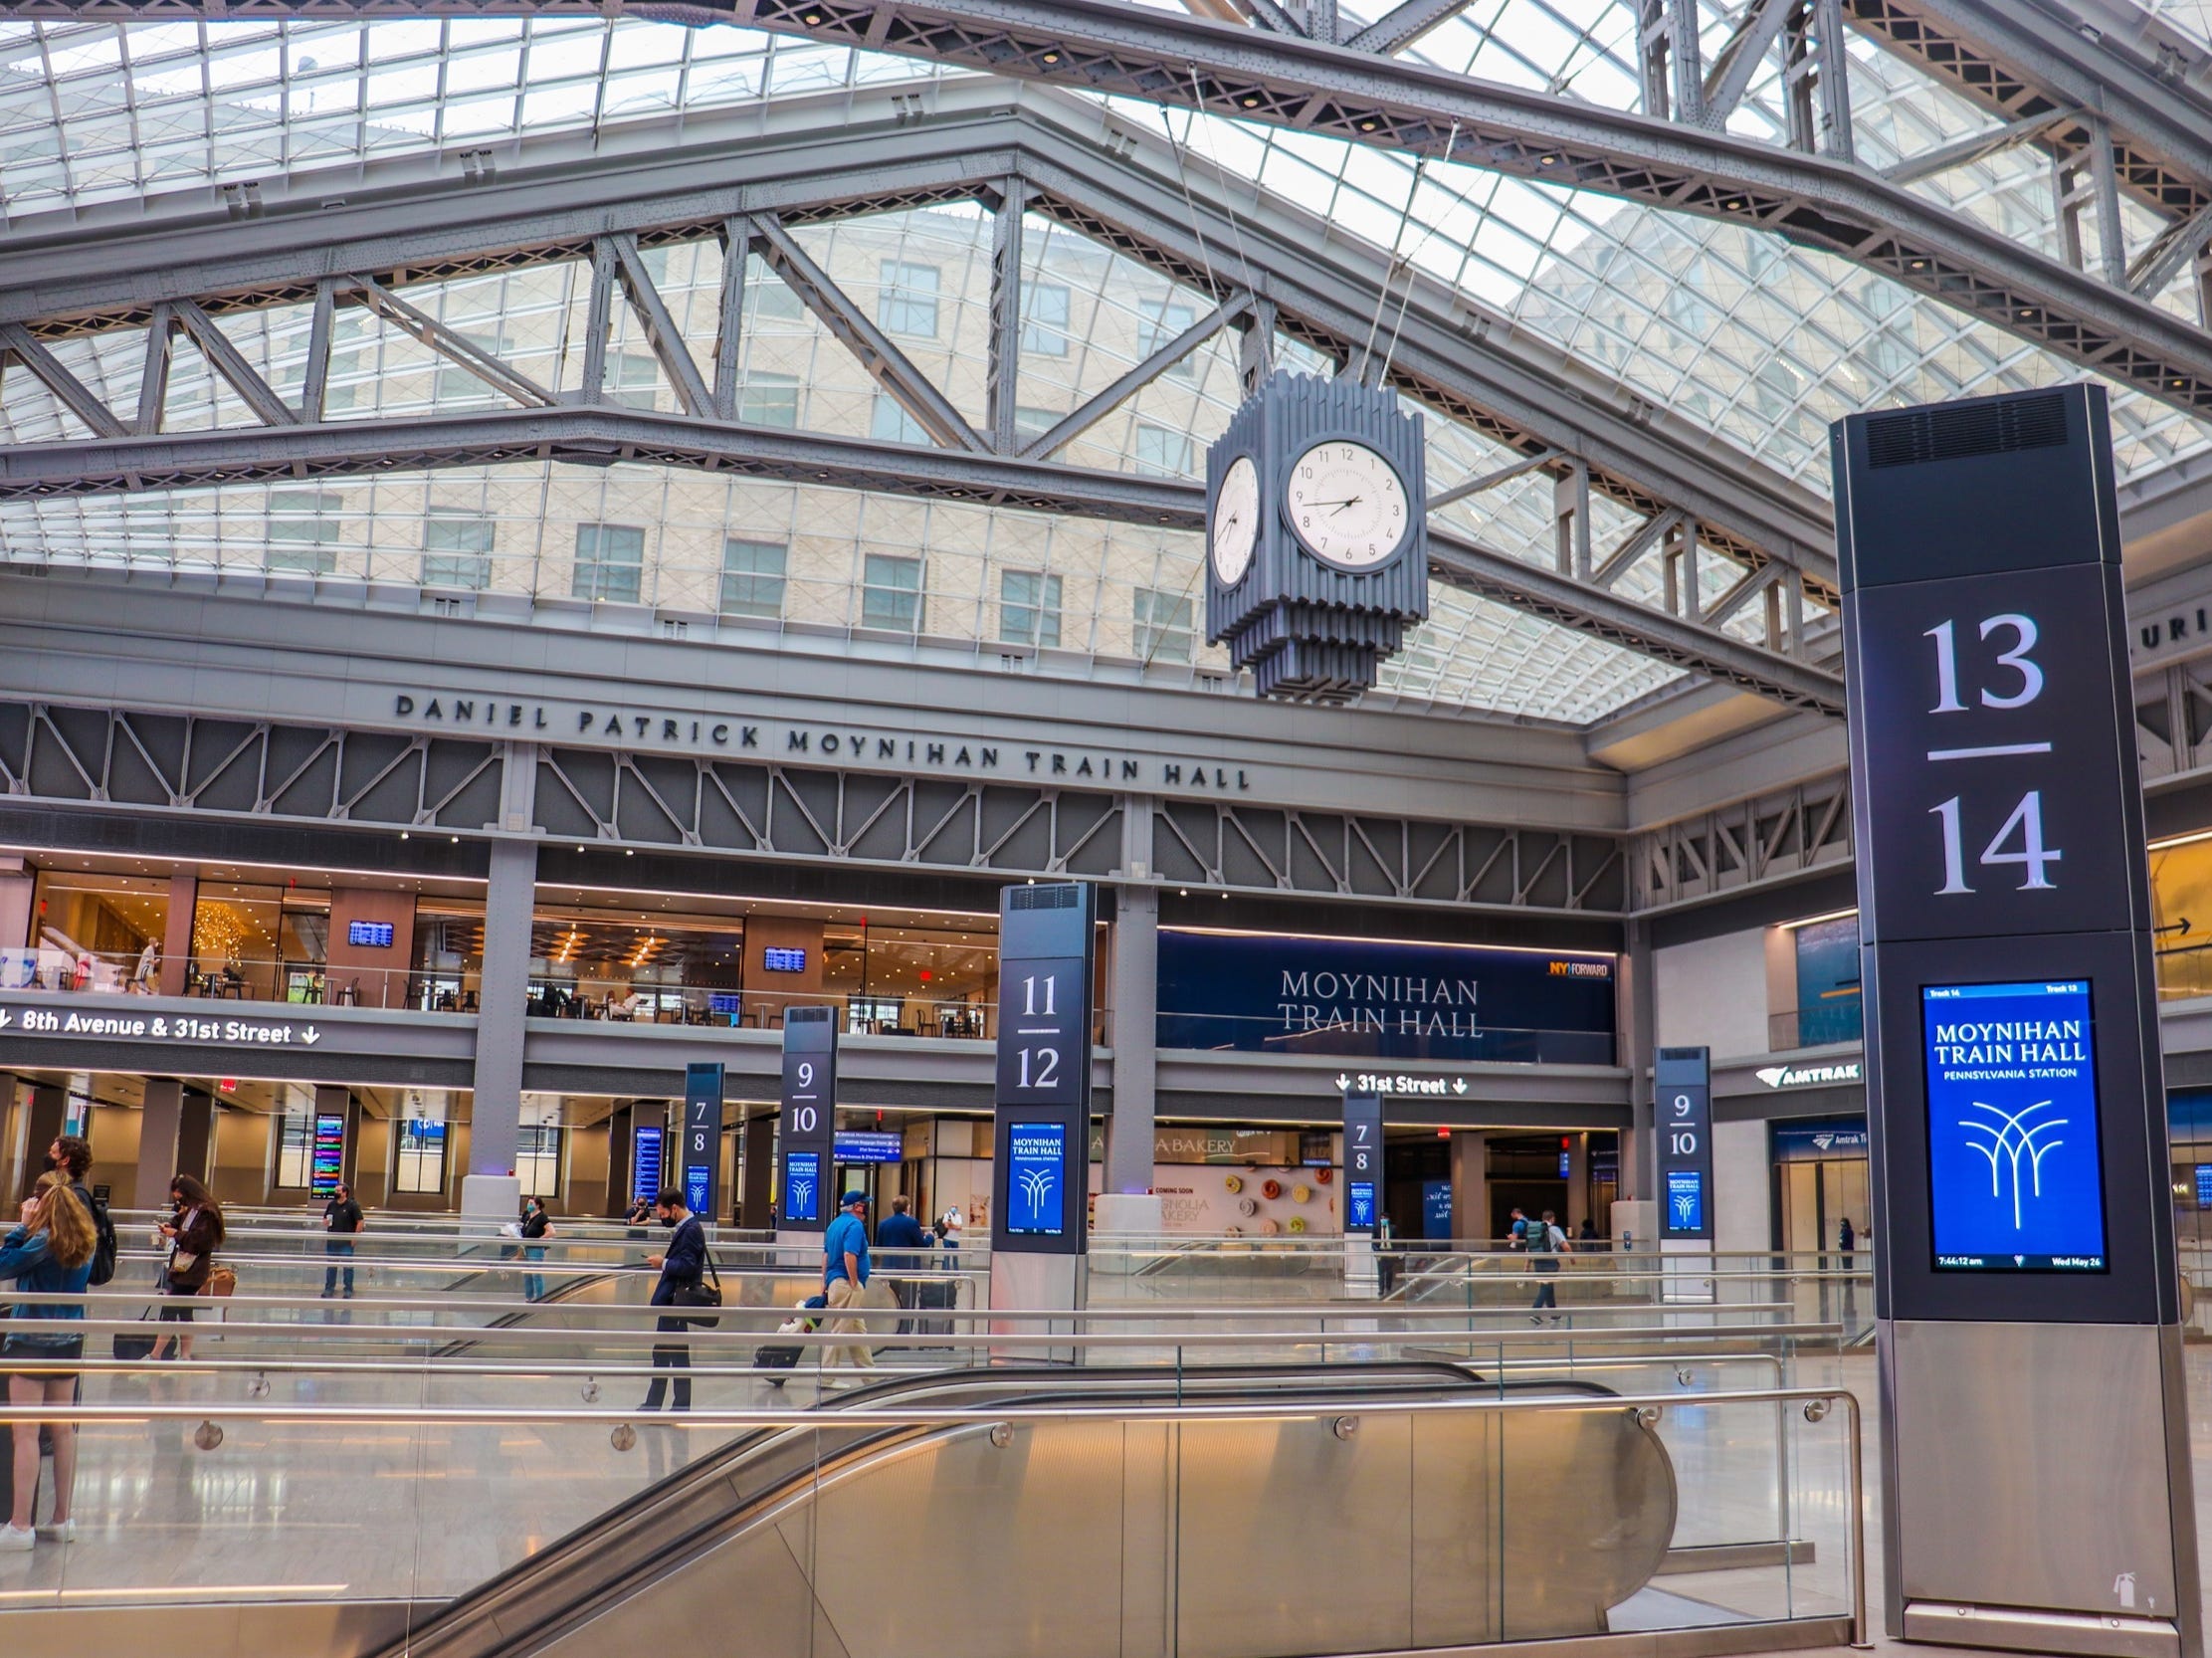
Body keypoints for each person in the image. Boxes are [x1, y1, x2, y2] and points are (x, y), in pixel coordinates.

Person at [0, 1172, 96, 1550]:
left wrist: (19, 1229)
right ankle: (62, 1518)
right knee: (61, 1431)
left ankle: (21, 1525)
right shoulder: (84, 1242)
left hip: (31, 1342)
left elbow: (4, 1265)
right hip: (70, 1343)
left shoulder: (41, 1239)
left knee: (25, 1432)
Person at [640, 1188, 705, 1412]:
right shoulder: (688, 1228)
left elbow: (687, 1266)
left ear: (674, 1209)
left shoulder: (690, 1230)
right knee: (666, 1354)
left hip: (675, 1302)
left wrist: (663, 1263)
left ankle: (669, 1405)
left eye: (663, 1213)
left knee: (673, 1356)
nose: (662, 1218)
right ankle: (660, 1404)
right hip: (673, 1302)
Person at [151, 1174, 224, 1361]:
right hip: (183, 1269)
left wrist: (176, 1234)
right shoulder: (192, 1210)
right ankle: (184, 1355)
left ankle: (155, 1355)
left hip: (192, 1270)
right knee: (184, 1312)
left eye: (179, 1195)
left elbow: (199, 1241)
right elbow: (181, 1224)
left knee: (170, 1310)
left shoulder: (206, 1213)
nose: (178, 1200)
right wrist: (171, 1227)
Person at [822, 1191, 875, 1370]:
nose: (865, 1209)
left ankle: (870, 1375)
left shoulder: (834, 1225)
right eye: (863, 1205)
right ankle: (827, 1376)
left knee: (857, 1332)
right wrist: (854, 1282)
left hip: (836, 1282)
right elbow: (849, 1254)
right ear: (855, 1207)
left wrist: (824, 1282)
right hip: (847, 1285)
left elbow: (826, 1256)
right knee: (840, 1330)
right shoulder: (855, 1225)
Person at [321, 1181, 364, 1299]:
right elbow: (325, 1218)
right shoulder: (331, 1205)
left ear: (345, 1193)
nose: (336, 1193)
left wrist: (355, 1237)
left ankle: (348, 1289)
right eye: (335, 1191)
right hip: (332, 1240)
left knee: (347, 1266)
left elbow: (360, 1222)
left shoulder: (352, 1206)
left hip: (346, 1241)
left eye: (338, 1191)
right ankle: (329, 1288)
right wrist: (325, 1222)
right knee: (331, 1266)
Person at [1525, 1208, 1567, 1323]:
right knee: (1546, 1286)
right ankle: (1535, 1312)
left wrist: (1527, 1265)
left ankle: (1553, 1313)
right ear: (1552, 1218)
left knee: (1548, 1285)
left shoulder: (1536, 1231)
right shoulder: (1554, 1229)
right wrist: (1573, 1258)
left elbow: (1529, 1248)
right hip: (1550, 1261)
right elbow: (1565, 1245)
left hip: (1537, 1261)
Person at [520, 1196, 554, 1302]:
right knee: (527, 1274)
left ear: (537, 1205)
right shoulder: (527, 1215)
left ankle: (540, 1298)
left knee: (536, 1274)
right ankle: (529, 1296)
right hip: (526, 1247)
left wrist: (540, 1239)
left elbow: (552, 1231)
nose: (529, 1205)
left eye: (531, 1203)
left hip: (536, 1249)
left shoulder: (542, 1217)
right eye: (528, 1203)